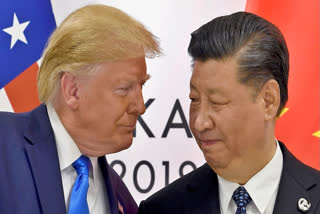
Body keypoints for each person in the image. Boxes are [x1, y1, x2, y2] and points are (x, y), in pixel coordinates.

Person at [138, 12, 320, 214]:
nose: (200, 122)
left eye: (217, 102)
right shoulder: (162, 209)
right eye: (194, 100)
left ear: (268, 100)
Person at [0, 4, 160, 214]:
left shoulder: (122, 198)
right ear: (72, 90)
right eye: (124, 89)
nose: (140, 106)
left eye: (141, 86)